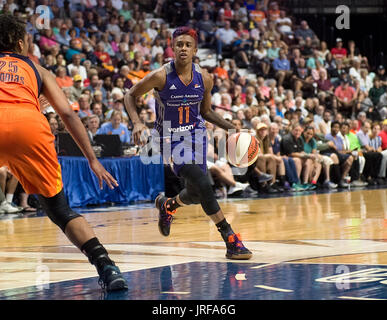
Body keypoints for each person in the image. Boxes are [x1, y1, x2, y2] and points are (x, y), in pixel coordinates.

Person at [0, 15, 127, 292]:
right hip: (29, 126)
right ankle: (106, 267)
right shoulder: (37, 69)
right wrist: (92, 159)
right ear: (21, 42)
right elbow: (67, 113)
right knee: (60, 211)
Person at [124, 27, 252, 260]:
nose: (183, 48)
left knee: (196, 194)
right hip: (170, 139)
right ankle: (230, 238)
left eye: (187, 45)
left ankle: (168, 205)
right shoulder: (160, 76)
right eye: (179, 44)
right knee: (204, 182)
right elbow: (130, 95)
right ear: (172, 48)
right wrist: (137, 123)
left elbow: (206, 111)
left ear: (194, 49)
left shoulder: (205, 78)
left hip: (197, 136)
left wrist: (232, 128)